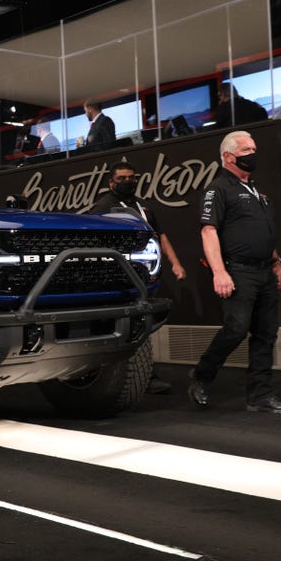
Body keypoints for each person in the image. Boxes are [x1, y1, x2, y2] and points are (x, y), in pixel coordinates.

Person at [187, 130, 281, 414]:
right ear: (228, 157)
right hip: (238, 271)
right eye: (247, 150)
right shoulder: (217, 189)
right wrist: (219, 272)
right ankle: (201, 375)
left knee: (266, 333)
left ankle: (259, 396)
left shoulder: (257, 191)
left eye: (254, 148)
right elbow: (208, 232)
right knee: (235, 329)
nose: (253, 154)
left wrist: (276, 264)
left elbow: (264, 233)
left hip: (265, 272)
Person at [91, 161, 186, 393]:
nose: (128, 182)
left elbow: (160, 237)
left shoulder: (143, 207)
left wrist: (175, 264)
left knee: (144, 322)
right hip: (121, 277)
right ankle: (137, 375)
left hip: (146, 275)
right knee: (130, 324)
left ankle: (144, 374)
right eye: (122, 178)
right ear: (111, 182)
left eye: (132, 177)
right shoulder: (103, 207)